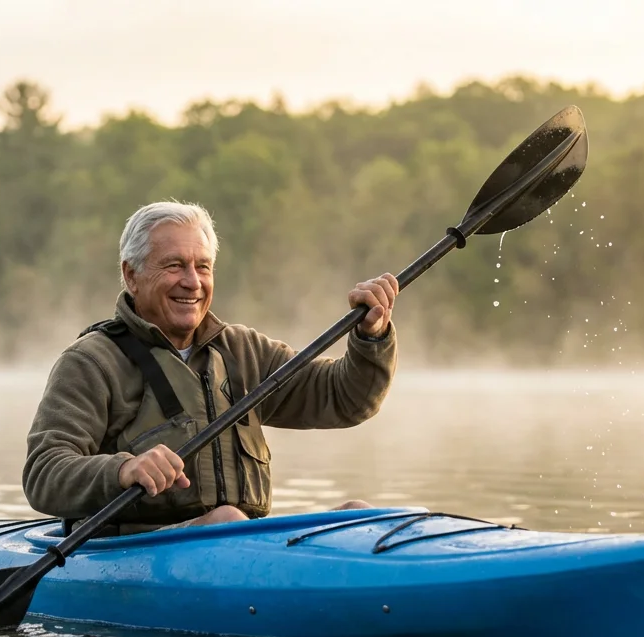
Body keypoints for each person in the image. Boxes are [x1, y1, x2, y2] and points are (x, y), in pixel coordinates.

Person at [22, 201, 398, 534]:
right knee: (227, 521)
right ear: (131, 275)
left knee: (361, 516)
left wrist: (371, 334)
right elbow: (43, 473)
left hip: (242, 544)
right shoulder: (91, 362)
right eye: (174, 266)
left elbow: (345, 399)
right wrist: (123, 470)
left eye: (203, 266)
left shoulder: (243, 350)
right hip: (138, 556)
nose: (192, 282)